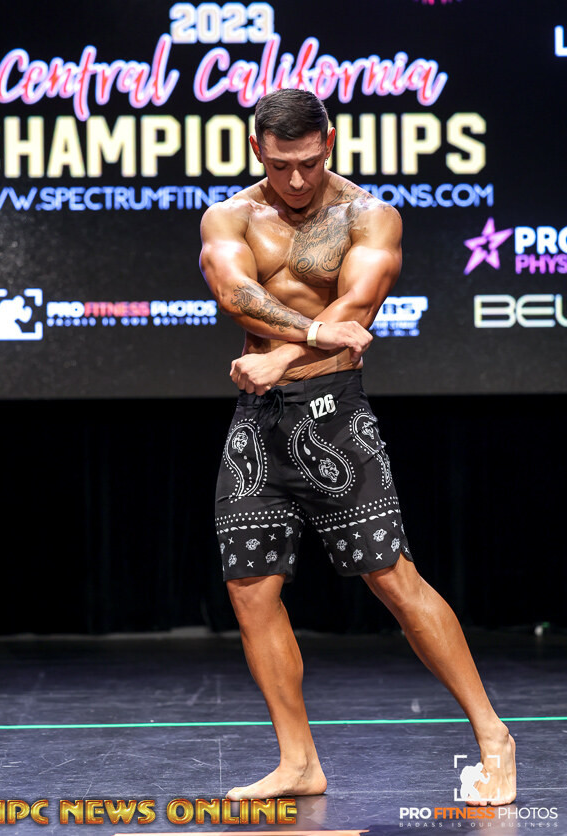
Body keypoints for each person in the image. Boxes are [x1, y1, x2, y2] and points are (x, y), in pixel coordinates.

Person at [199, 88, 516, 805]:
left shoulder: (368, 216)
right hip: (257, 424)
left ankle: (493, 735)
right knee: (250, 589)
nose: (297, 179)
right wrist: (310, 335)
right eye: (281, 165)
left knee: (393, 580)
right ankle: (298, 762)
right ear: (256, 151)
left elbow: (358, 306)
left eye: (310, 162)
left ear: (330, 143)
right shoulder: (229, 217)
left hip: (333, 416)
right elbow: (234, 292)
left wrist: (286, 356)